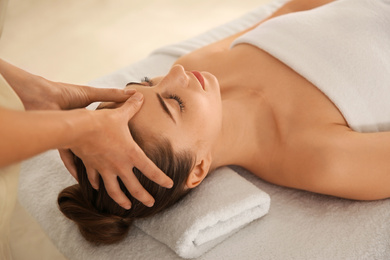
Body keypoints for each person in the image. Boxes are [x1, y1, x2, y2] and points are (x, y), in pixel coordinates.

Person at [58, 0, 390, 245]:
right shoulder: (318, 158)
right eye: (174, 103)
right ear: (198, 169)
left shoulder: (198, 64)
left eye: (148, 81)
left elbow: (290, 11)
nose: (176, 74)